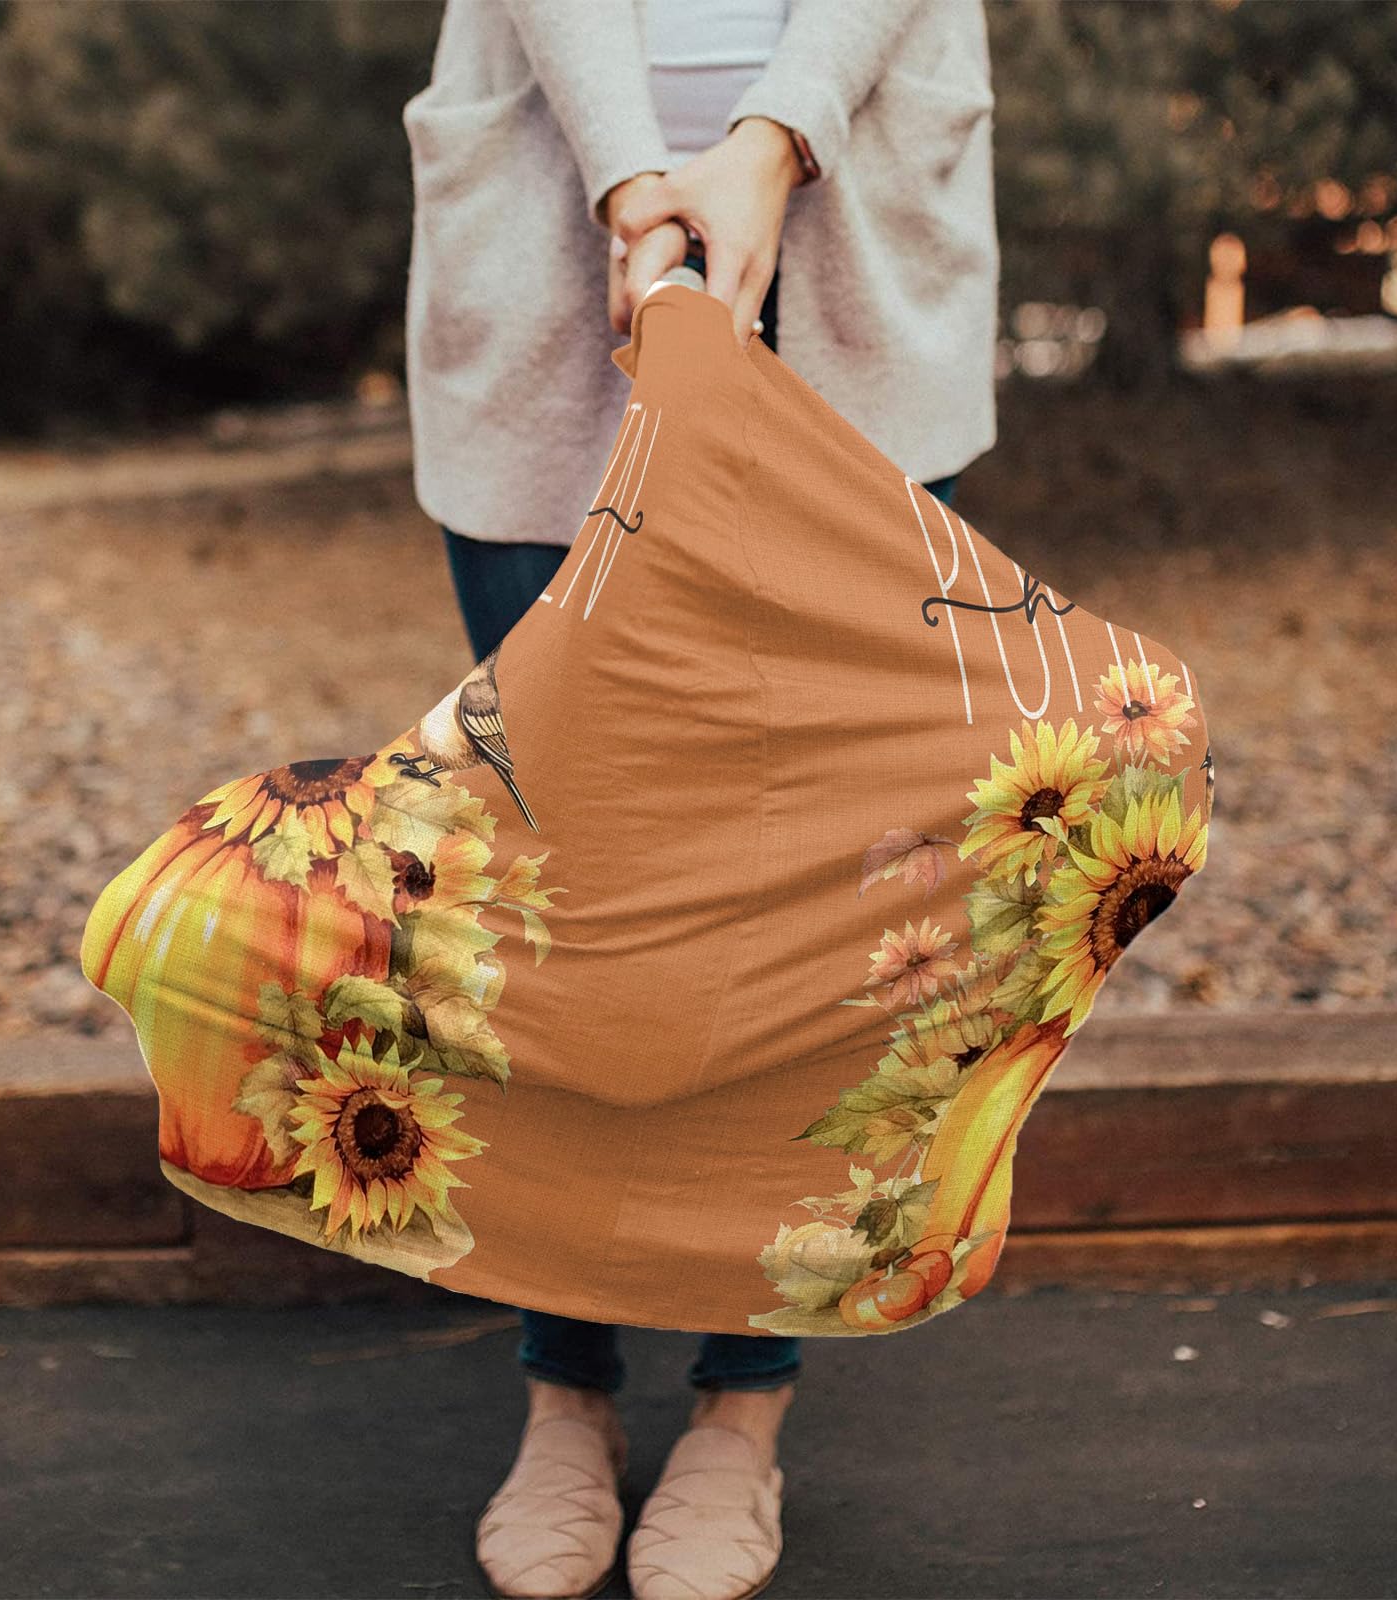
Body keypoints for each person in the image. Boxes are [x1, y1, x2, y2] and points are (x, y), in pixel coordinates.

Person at [400, 3, 998, 1595]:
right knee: (556, 876)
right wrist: (628, 178)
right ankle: (565, 1389)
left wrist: (771, 137)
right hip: (551, 216)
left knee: (804, 882)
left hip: (852, 225)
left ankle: (744, 1405)